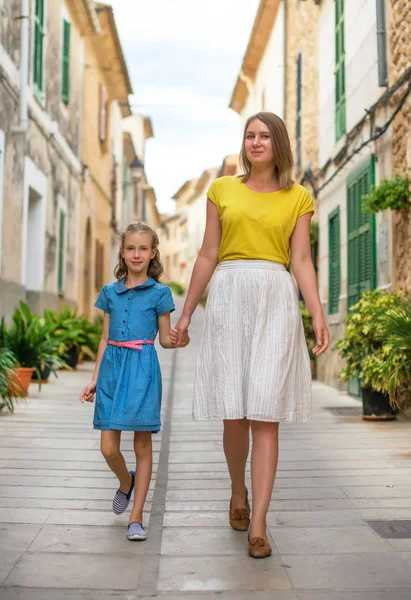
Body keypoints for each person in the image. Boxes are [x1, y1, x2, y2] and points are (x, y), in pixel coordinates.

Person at [172, 112, 330, 558]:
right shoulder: (222, 190)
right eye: (250, 135)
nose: (256, 142)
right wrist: (185, 317)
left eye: (264, 136)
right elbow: (207, 253)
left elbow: (301, 259)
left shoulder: (298, 197)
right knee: (234, 412)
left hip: (275, 298)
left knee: (266, 411)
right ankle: (237, 490)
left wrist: (316, 313)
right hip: (228, 296)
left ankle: (259, 521)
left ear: (278, 143)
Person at [80, 222, 189, 542]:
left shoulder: (160, 293)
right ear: (122, 252)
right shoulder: (109, 293)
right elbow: (103, 338)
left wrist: (178, 339)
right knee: (108, 447)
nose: (136, 254)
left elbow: (165, 342)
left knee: (142, 444)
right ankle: (125, 483)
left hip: (142, 368)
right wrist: (95, 377)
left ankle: (136, 516)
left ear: (153, 252)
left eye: (143, 248)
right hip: (113, 368)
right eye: (130, 248)